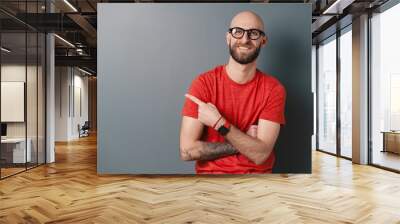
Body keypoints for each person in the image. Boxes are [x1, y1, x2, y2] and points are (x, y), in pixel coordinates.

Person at [179, 10, 286, 174]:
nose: (245, 39)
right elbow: (187, 151)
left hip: (256, 184)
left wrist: (219, 123)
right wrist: (245, 142)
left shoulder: (273, 89)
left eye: (254, 33)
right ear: (228, 37)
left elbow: (261, 155)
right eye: (238, 32)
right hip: (211, 184)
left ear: (263, 40)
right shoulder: (204, 84)